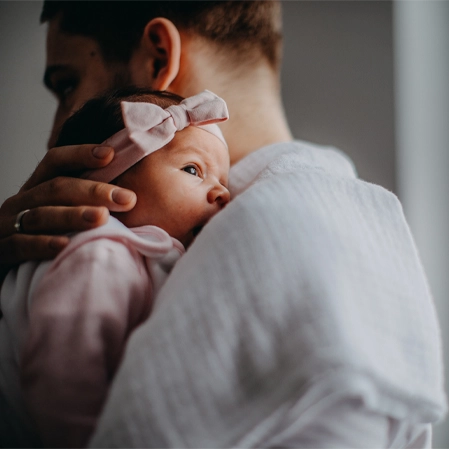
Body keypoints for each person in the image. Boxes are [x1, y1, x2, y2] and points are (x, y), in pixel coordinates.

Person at [0, 1, 446, 448]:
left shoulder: (270, 235)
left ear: (159, 57)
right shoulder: (353, 222)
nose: (55, 132)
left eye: (67, 85)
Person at [0, 87, 230, 449]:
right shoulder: (100, 254)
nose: (222, 194)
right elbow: (62, 377)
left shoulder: (139, 251)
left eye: (223, 182)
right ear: (110, 186)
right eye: (193, 170)